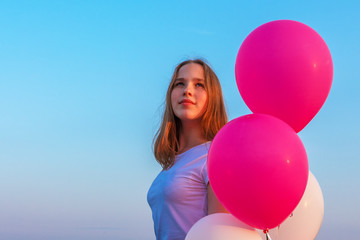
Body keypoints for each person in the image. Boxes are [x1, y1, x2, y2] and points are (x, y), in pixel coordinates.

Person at [147, 59, 228, 240]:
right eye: (179, 84)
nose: (187, 90)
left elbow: (221, 234)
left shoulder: (216, 157)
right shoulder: (174, 162)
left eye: (199, 84)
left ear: (212, 97)